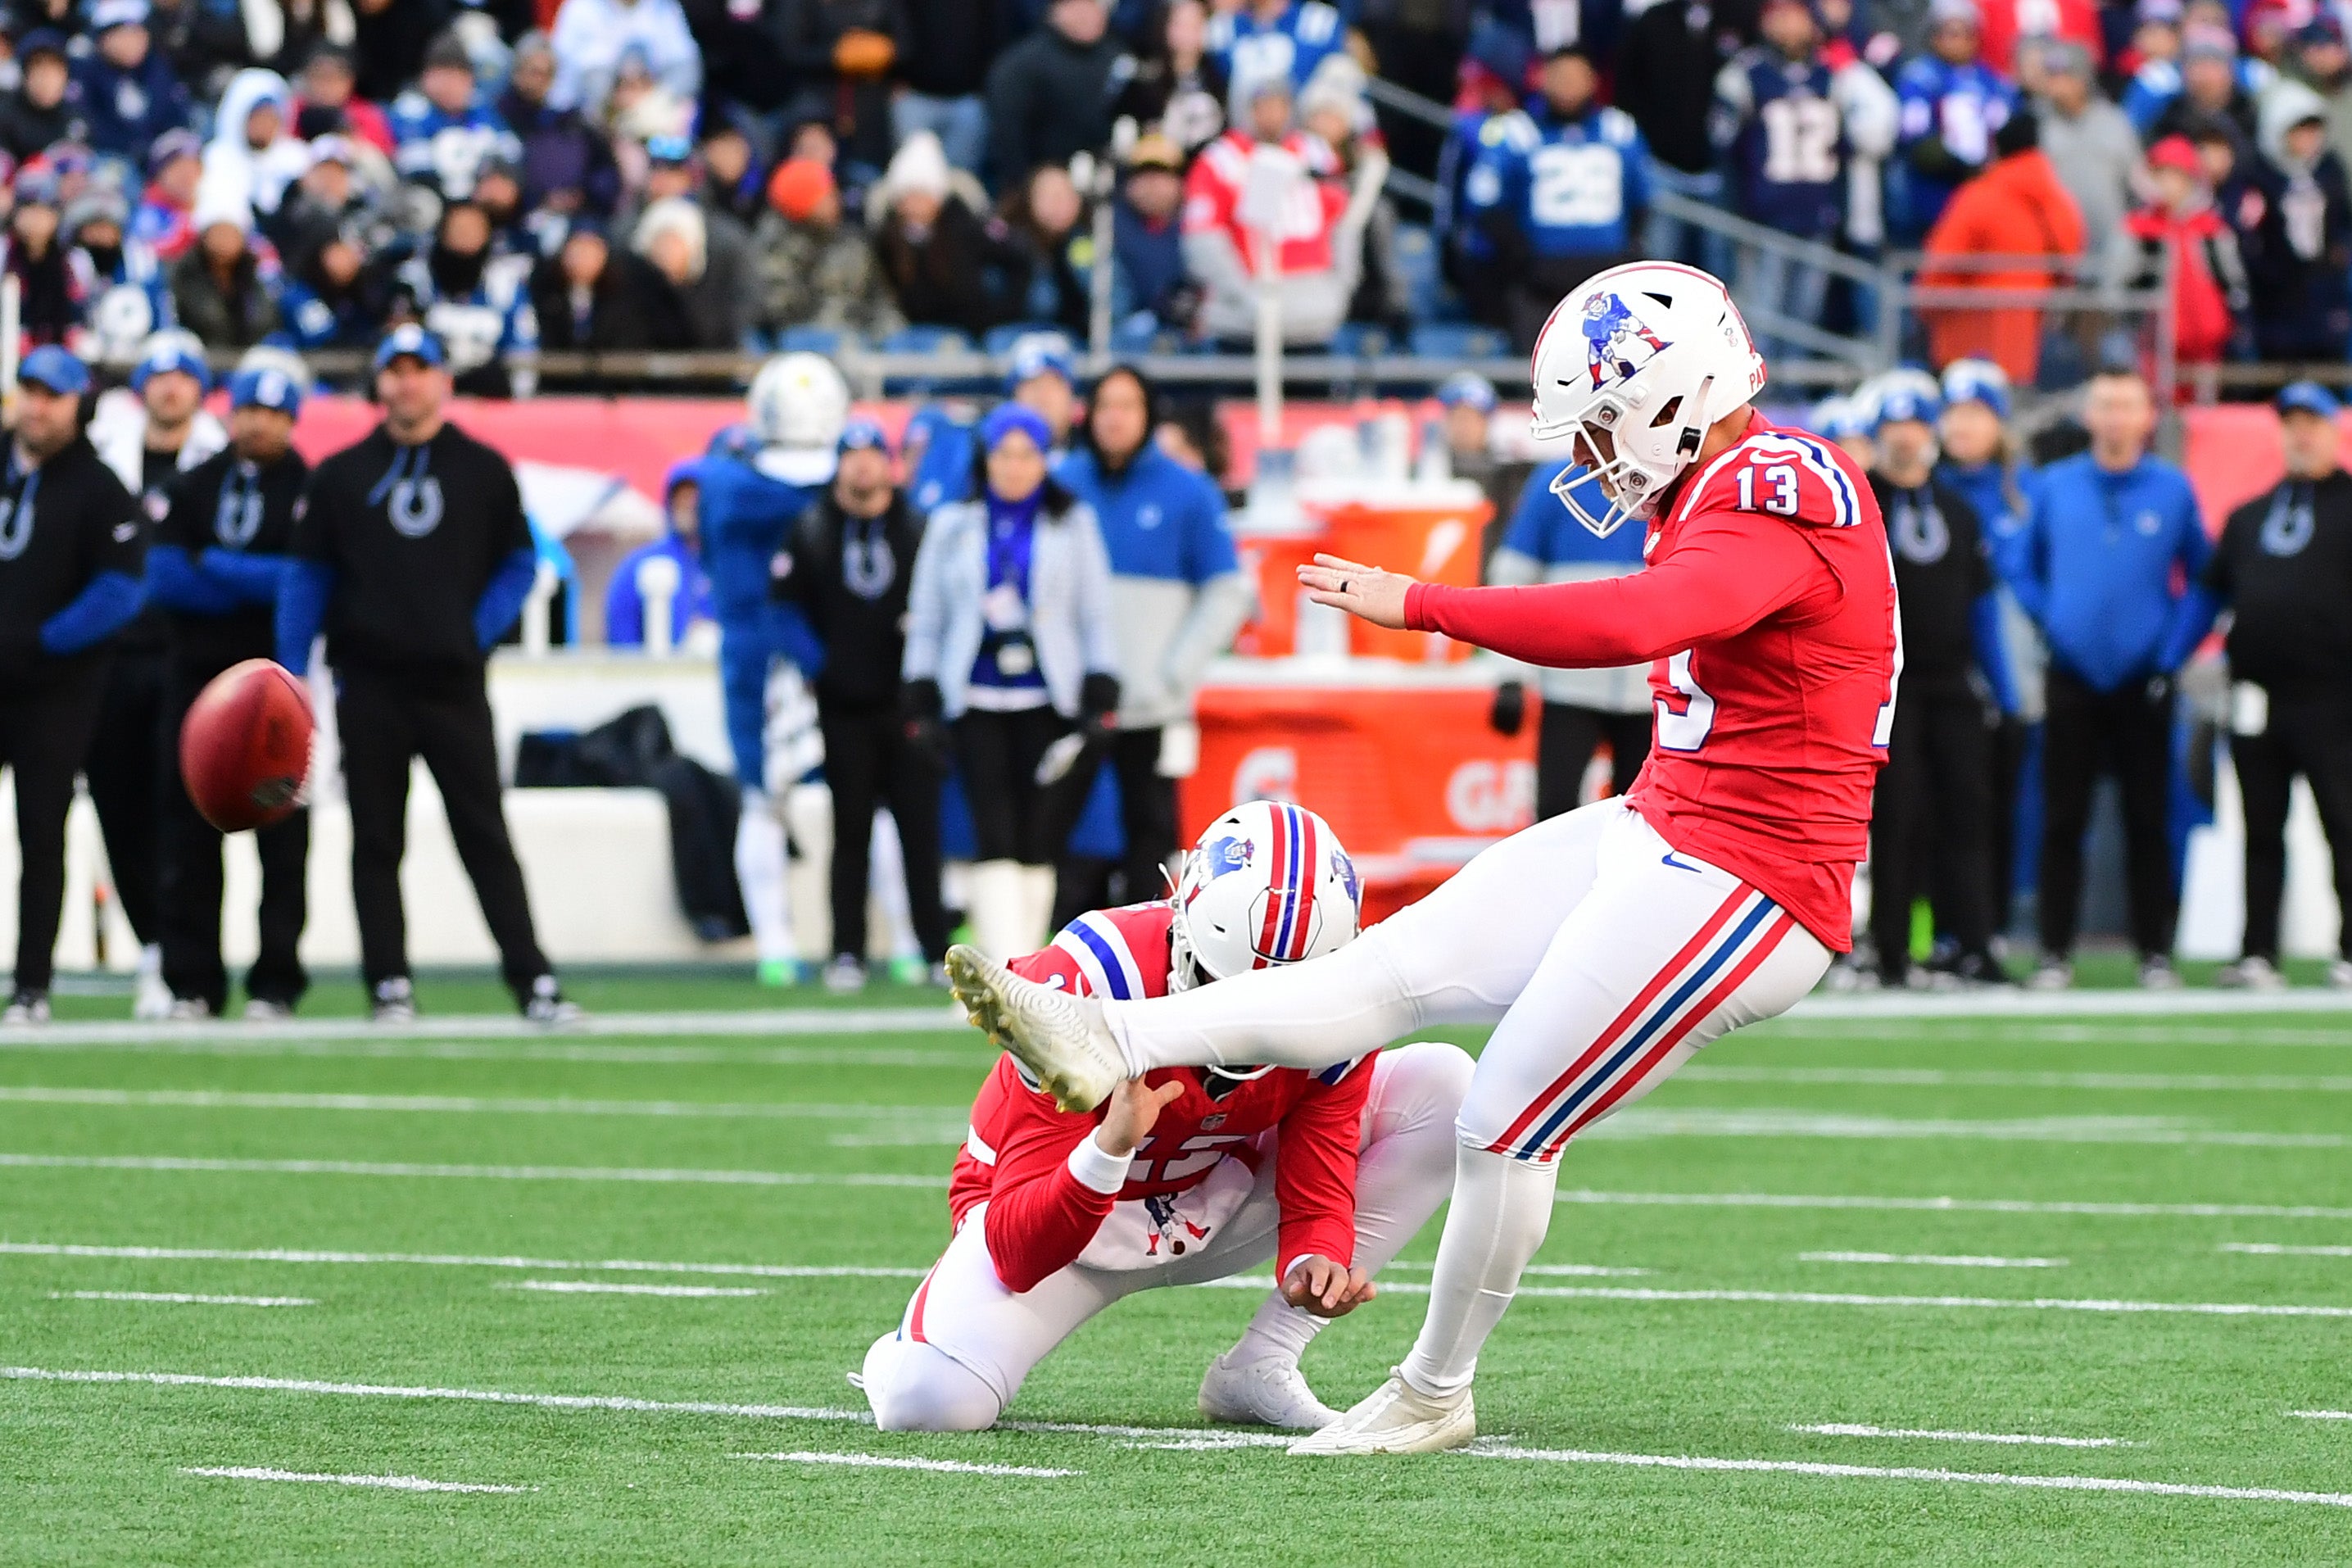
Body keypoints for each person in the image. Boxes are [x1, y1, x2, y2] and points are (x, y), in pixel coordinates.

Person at [948, 263, 1897, 1456]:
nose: (1594, 455)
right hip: (1662, 823)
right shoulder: (1710, 477)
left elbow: (1635, 623)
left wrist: (1428, 603)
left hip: (1748, 880)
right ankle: (1113, 1035)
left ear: (1675, 394)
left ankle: (1432, 1389)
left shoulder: (1780, 481)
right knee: (1383, 972)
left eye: (1603, 421)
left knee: (1503, 1116)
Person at [868, 801, 1475, 1435]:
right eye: (1229, 988)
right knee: (929, 1404)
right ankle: (904, 1352)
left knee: (1444, 1086)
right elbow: (1017, 1251)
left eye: (1284, 999)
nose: (1252, 1025)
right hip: (1063, 1221)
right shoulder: (1091, 975)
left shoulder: (1340, 994)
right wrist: (1107, 1149)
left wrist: (1314, 1261)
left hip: (1214, 1188)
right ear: (1185, 930)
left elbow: (1320, 1153)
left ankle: (1262, 1361)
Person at [275, 325, 580, 1025]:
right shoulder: (342, 475)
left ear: (443, 379)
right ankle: (388, 983)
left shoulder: (482, 469)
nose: (407, 384)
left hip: (452, 683)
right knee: (377, 838)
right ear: (379, 382)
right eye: (396, 371)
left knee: (484, 833)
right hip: (370, 682)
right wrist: (291, 673)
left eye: (421, 370)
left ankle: (531, 980)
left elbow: (519, 563)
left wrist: (471, 635)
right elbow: (306, 579)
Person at [2008, 369, 2206, 990]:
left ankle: (2154, 952)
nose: (2116, 418)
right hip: (2070, 674)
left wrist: (2172, 650)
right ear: (2088, 415)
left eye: (2128, 406)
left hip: (2143, 678)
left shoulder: (2172, 490)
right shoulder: (2055, 485)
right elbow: (2019, 563)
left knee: (2149, 819)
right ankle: (2053, 951)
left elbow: (2205, 578)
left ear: (2147, 417)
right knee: (2061, 818)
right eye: (2105, 406)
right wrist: (2052, 619)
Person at [904, 403, 1121, 962]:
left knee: (1040, 835)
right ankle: (1001, 963)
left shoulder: (1071, 521)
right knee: (991, 832)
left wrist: (1101, 684)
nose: (1016, 467)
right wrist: (920, 690)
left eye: (1028, 455)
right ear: (986, 458)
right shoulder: (954, 523)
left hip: (1047, 694)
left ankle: (1024, 965)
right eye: (1004, 454)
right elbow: (928, 613)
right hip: (974, 694)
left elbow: (1094, 611)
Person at [2161, 383, 2352, 991]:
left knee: (2342, 822)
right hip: (2255, 696)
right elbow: (2211, 594)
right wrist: (2168, 660)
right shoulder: (2250, 515)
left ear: (2331, 428)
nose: (2301, 434)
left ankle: (2348, 948)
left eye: (2312, 422)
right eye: (2291, 422)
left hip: (2331, 697)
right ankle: (2258, 952)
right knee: (2260, 828)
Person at [1054, 365, 1250, 920]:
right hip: (1071, 704)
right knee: (1067, 838)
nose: (1114, 417)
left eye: (1128, 405)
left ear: (1148, 416)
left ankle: (1141, 956)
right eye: (1104, 405)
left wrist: (1172, 673)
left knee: (1151, 832)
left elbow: (1226, 590)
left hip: (1152, 707)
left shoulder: (1187, 492)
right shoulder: (1061, 486)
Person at [145, 365, 310, 1020]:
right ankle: (194, 983)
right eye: (248, 409)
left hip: (277, 691)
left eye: (273, 412)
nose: (258, 422)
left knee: (282, 842)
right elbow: (163, 580)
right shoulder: (196, 483)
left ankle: (275, 982)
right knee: (188, 837)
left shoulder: (312, 489)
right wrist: (254, 580)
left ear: (292, 419)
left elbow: (301, 582)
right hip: (197, 686)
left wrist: (214, 563)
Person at [774, 419, 948, 992]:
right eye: (852, 455)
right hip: (843, 705)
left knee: (920, 833)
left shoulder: (917, 528)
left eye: (873, 454)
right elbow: (785, 604)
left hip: (907, 707)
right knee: (850, 834)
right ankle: (845, 949)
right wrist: (816, 663)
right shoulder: (814, 527)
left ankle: (930, 948)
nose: (862, 466)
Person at [0, 348, 147, 1025]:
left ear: (76, 405)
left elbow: (121, 587)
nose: (37, 406)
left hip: (55, 689)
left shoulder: (98, 485)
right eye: (29, 391)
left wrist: (42, 642)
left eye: (52, 395)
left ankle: (32, 985)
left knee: (42, 832)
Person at [86, 332, 227, 1021]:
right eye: (160, 375)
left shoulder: (221, 463)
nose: (171, 388)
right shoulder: (104, 455)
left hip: (187, 657)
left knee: (183, 812)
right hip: (110, 656)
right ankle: (150, 943)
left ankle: (188, 959)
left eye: (184, 377)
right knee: (118, 805)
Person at [1859, 374, 2017, 987]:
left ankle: (1970, 942)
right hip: (1886, 684)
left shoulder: (1956, 508)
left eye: (1916, 424)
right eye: (1895, 425)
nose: (1906, 437)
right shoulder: (1858, 503)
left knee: (1967, 812)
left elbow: (1981, 606)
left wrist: (2001, 691)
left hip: (1951, 680)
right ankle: (1889, 950)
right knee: (1895, 817)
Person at [697, 352, 844, 986]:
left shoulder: (728, 479)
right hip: (779, 657)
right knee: (765, 798)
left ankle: (785, 944)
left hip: (809, 654)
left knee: (871, 800)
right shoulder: (737, 487)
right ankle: (776, 942)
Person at [1486, 459, 1653, 822]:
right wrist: (1509, 675)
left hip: (1651, 690)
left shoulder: (1674, 482)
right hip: (1570, 685)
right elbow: (1513, 577)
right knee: (1553, 813)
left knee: (1641, 819)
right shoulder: (1554, 482)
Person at [1464, 46, 1652, 353]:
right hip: (1539, 284)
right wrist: (1521, 256)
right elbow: (1484, 200)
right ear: (1542, 79)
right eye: (1559, 76)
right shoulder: (1516, 130)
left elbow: (1641, 199)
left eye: (1575, 77)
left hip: (1607, 281)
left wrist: (1625, 251)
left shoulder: (1619, 129)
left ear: (1592, 81)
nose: (1567, 85)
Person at [1181, 66, 1356, 347]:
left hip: (1314, 315)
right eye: (1263, 105)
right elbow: (1204, 240)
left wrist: (1339, 289)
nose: (1272, 115)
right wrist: (1247, 297)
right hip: (1243, 322)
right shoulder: (1220, 161)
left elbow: (1344, 224)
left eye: (1280, 104)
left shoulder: (1315, 154)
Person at [1918, 110, 2085, 385]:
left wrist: (1927, 307)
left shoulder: (1980, 197)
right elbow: (2070, 262)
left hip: (1969, 344)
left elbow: (1939, 270)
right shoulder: (2060, 201)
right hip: (2030, 344)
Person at [1892, 0, 2019, 242]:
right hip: (1934, 197)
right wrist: (1964, 167)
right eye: (1948, 32)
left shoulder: (1995, 83)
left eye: (1964, 33)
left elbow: (2010, 137)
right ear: (1934, 36)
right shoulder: (1920, 77)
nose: (1956, 41)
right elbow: (1918, 142)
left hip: (1987, 201)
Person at [755, 156, 903, 341]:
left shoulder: (853, 244)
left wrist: (887, 333)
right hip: (803, 343)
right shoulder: (776, 248)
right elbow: (780, 311)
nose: (835, 201)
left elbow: (879, 300)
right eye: (825, 196)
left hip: (859, 341)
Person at [985, 0, 1131, 188]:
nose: (1088, 16)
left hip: (1109, 173)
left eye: (1094, 7)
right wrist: (1023, 183)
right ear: (1055, 11)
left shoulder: (1119, 55)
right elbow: (1008, 135)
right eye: (1079, 8)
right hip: (1044, 177)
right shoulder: (1023, 64)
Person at [389, 31, 523, 203]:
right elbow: (410, 160)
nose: (450, 84)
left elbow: (511, 149)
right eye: (442, 74)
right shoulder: (411, 109)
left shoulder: (480, 107)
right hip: (427, 196)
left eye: (459, 75)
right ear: (426, 77)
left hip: (477, 199)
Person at [605, 460, 716, 651]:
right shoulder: (639, 565)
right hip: (656, 675)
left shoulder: (729, 563)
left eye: (696, 497)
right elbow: (621, 635)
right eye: (682, 496)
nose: (689, 505)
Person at [73, 0, 194, 161]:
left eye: (137, 33)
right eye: (123, 35)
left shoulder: (157, 66)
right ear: (103, 40)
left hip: (160, 154)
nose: (133, 42)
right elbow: (92, 127)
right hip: (113, 157)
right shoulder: (89, 75)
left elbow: (176, 115)